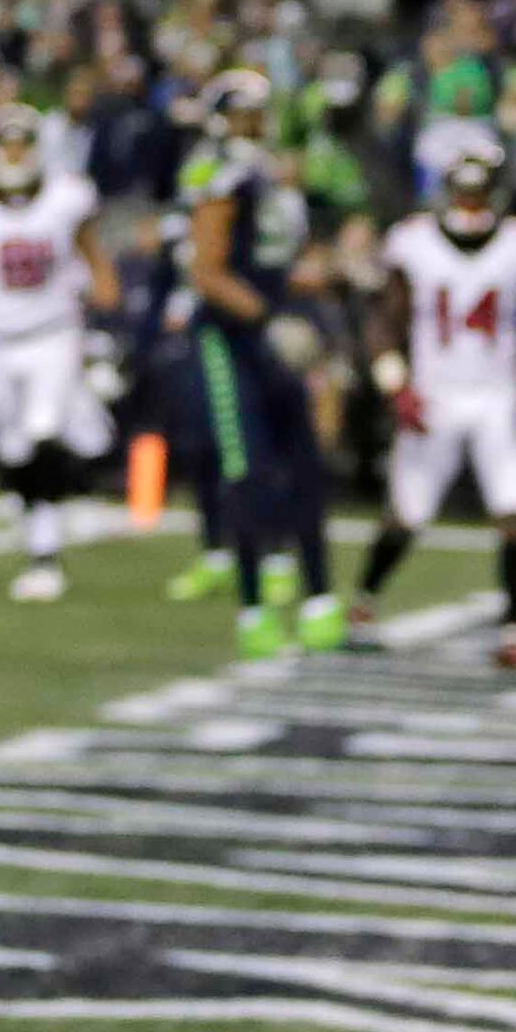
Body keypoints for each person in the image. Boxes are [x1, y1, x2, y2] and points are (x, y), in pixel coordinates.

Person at [353, 139, 516, 674]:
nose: (472, 204)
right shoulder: (414, 243)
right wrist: (395, 384)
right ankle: (363, 604)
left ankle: (515, 631)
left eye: (479, 193)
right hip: (435, 395)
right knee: (406, 516)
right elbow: (385, 321)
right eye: (464, 192)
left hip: (499, 396)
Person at [0, 105, 120, 602]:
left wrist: (105, 286)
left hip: (53, 333)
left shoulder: (65, 197)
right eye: (5, 144)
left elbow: (92, 252)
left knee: (42, 432)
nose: (13, 154)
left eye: (22, 144)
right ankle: (40, 515)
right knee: (11, 444)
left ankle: (44, 554)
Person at [179, 70, 344, 654]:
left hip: (278, 327)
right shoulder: (219, 171)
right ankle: (254, 610)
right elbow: (209, 271)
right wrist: (269, 320)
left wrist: (315, 282)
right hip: (235, 339)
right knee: (244, 469)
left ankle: (321, 600)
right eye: (245, 112)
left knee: (303, 464)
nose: (256, 122)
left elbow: (274, 258)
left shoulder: (269, 173)